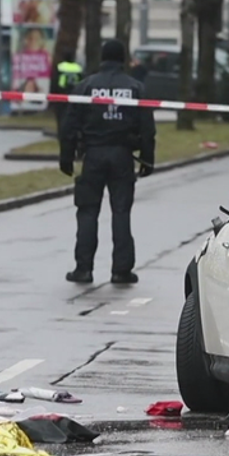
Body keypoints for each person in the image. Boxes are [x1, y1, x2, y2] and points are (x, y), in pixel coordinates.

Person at [59, 39, 156, 286]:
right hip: (122, 157)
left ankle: (83, 269)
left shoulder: (85, 87)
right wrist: (147, 158)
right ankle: (121, 270)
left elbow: (69, 126)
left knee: (88, 212)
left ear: (102, 58)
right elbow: (147, 128)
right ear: (123, 59)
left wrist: (66, 157)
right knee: (121, 212)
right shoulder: (135, 88)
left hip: (92, 156)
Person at [51, 51, 83, 136]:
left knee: (61, 118)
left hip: (61, 96)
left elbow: (54, 82)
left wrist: (52, 97)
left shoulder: (60, 67)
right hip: (75, 96)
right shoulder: (78, 68)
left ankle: (61, 134)